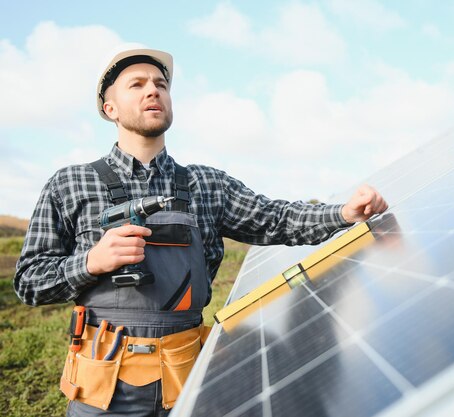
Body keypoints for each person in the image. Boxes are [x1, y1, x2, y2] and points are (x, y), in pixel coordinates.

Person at [14, 48, 388, 416]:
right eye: (137, 84)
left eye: (161, 84)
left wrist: (342, 213)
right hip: (102, 391)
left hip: (186, 383)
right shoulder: (69, 184)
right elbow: (29, 282)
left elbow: (276, 218)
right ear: (109, 109)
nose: (153, 90)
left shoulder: (206, 183)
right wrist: (91, 262)